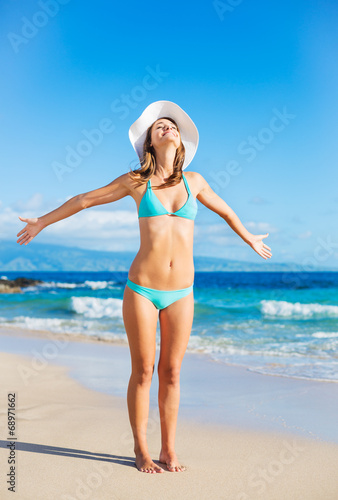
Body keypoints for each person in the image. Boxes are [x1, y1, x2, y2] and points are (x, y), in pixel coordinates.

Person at [16, 100, 272, 474]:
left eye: (171, 126)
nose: (166, 128)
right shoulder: (136, 182)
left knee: (172, 372)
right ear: (149, 143)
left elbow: (227, 211)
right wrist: (42, 221)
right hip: (142, 289)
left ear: (180, 141)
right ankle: (141, 449)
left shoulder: (195, 182)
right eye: (158, 127)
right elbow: (85, 200)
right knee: (145, 370)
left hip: (182, 291)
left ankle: (169, 450)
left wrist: (249, 237)